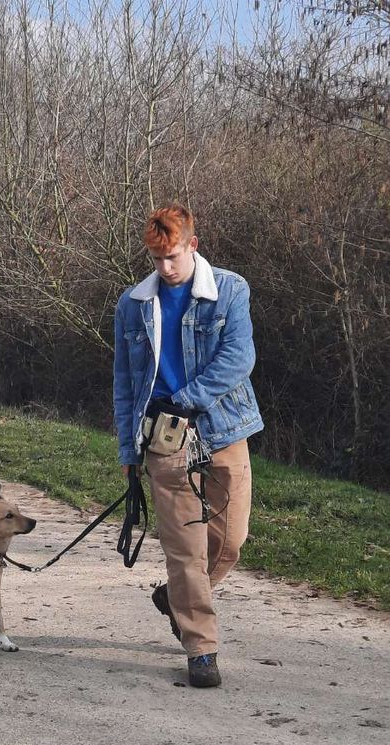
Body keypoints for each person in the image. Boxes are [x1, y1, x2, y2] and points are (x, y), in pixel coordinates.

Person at [113, 203, 263, 688]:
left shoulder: (230, 290)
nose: (164, 267)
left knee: (230, 540)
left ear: (192, 246)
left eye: (172, 255)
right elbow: (123, 381)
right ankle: (201, 647)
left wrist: (186, 400)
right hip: (161, 437)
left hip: (223, 428)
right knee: (185, 549)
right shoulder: (131, 304)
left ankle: (176, 597)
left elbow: (239, 358)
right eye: (155, 258)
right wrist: (127, 451)